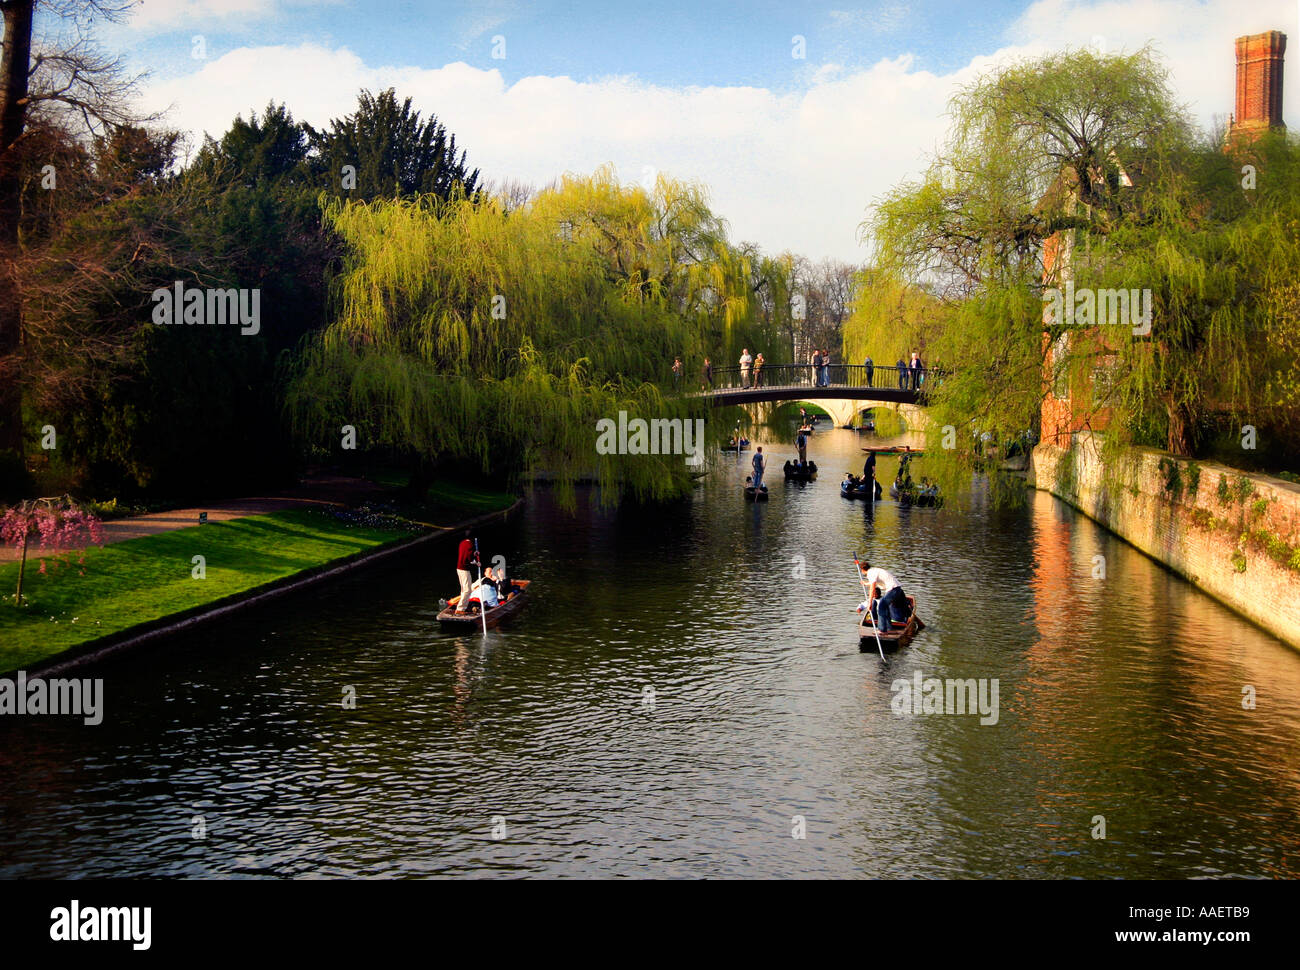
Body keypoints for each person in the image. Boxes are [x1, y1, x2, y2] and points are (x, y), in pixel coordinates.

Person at [856, 561, 911, 631]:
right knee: (886, 607)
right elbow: (875, 582)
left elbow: (872, 588)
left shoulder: (870, 573)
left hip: (893, 589)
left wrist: (870, 603)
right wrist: (866, 583)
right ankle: (888, 628)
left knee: (882, 606)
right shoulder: (874, 570)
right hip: (898, 589)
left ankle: (881, 630)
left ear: (862, 570)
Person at [454, 531, 478, 614]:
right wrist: (476, 563)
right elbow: (469, 557)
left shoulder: (462, 543)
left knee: (463, 589)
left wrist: (474, 554)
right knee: (467, 590)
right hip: (464, 569)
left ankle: (462, 605)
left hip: (459, 568)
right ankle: (460, 609)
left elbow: (466, 553)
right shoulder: (470, 544)